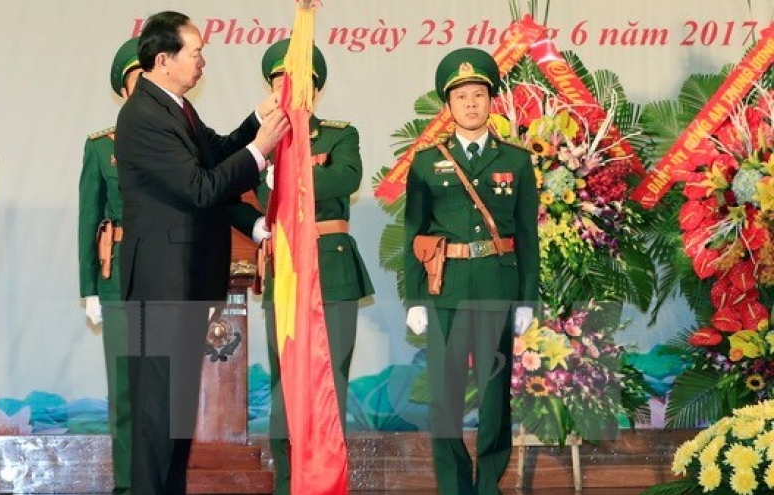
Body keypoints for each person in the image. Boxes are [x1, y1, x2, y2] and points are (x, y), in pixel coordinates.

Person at [114, 11, 289, 495]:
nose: (202, 62)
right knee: (156, 420)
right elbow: (200, 187)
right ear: (164, 58)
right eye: (195, 52)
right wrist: (260, 150)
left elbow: (218, 151)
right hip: (161, 283)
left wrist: (259, 119)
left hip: (184, 282)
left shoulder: (174, 107)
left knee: (175, 416)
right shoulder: (145, 116)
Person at [403, 47, 540, 495]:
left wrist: (527, 300)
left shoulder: (516, 161)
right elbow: (414, 233)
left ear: (491, 100)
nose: (470, 103)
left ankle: (488, 487)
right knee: (444, 397)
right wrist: (416, 298)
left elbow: (528, 236)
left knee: (495, 393)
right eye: (460, 96)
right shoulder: (426, 162)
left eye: (478, 94)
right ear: (448, 105)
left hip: (496, 286)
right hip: (446, 288)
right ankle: (454, 486)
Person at [254, 39, 375, 495]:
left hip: (333, 273)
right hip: (285, 276)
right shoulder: (262, 140)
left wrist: (288, 174)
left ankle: (326, 484)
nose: (289, 89)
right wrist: (273, 164)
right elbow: (260, 200)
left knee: (330, 387)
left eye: (298, 81)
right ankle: (288, 485)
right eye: (279, 82)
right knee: (286, 391)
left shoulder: (340, 134)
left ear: (314, 88)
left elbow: (346, 177)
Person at [77, 36, 142, 495]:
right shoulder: (103, 148)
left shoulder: (187, 142)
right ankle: (127, 487)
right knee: (124, 391)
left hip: (168, 277)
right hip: (119, 274)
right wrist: (89, 288)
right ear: (123, 90)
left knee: (167, 396)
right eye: (141, 83)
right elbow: (88, 216)